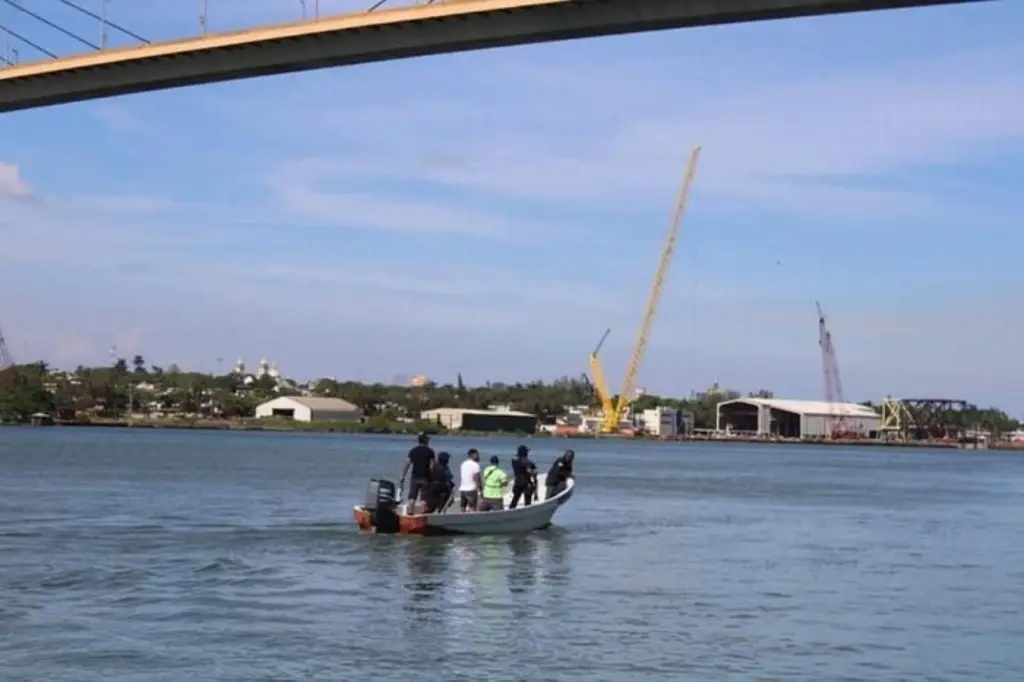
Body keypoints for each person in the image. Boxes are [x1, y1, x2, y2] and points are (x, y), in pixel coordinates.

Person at [400, 433, 435, 505]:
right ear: (426, 441)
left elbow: (407, 463)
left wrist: (403, 476)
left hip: (415, 477)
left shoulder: (413, 451)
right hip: (425, 477)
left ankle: (410, 513)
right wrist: (433, 476)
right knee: (424, 498)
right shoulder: (430, 451)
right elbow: (432, 466)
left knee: (412, 497)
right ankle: (422, 514)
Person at [509, 444, 537, 509]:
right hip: (526, 482)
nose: (527, 453)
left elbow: (515, 458)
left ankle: (511, 509)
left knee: (515, 498)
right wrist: (534, 472)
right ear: (524, 452)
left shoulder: (514, 460)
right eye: (527, 451)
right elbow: (529, 471)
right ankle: (527, 510)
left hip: (517, 481)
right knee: (527, 500)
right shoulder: (527, 462)